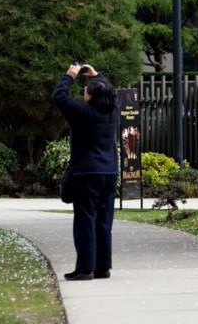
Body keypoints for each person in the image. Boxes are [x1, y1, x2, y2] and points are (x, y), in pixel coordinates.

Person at [52, 62, 118, 281]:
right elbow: (110, 92)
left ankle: (85, 268)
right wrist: (98, 75)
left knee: (85, 220)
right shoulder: (112, 112)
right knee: (104, 221)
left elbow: (59, 97)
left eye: (86, 91)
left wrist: (69, 75)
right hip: (110, 173)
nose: (84, 92)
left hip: (87, 173)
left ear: (90, 97)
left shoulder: (82, 113)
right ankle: (102, 267)